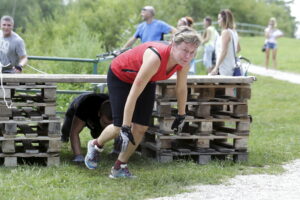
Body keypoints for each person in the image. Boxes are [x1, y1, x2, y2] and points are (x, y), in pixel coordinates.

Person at [84, 26, 201, 178]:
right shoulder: (156, 57)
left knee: (141, 127)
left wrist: (181, 114)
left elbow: (181, 88)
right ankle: (96, 145)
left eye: (192, 53)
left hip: (147, 78)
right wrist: (126, 125)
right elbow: (133, 93)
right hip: (121, 75)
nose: (188, 56)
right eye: (185, 50)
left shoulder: (184, 62)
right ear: (173, 44)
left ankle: (120, 167)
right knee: (118, 127)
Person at [61, 93, 113, 163]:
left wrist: (117, 151)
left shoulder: (118, 107)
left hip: (98, 112)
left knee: (97, 134)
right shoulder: (85, 107)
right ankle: (64, 137)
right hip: (78, 105)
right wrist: (78, 156)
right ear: (99, 113)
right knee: (67, 130)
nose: (107, 128)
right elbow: (74, 132)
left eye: (111, 125)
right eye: (105, 123)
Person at [209, 9, 240, 76]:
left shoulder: (225, 32)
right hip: (230, 65)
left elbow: (223, 52)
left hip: (224, 67)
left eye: (219, 19)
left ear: (224, 19)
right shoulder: (234, 32)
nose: (218, 21)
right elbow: (238, 49)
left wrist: (216, 67)